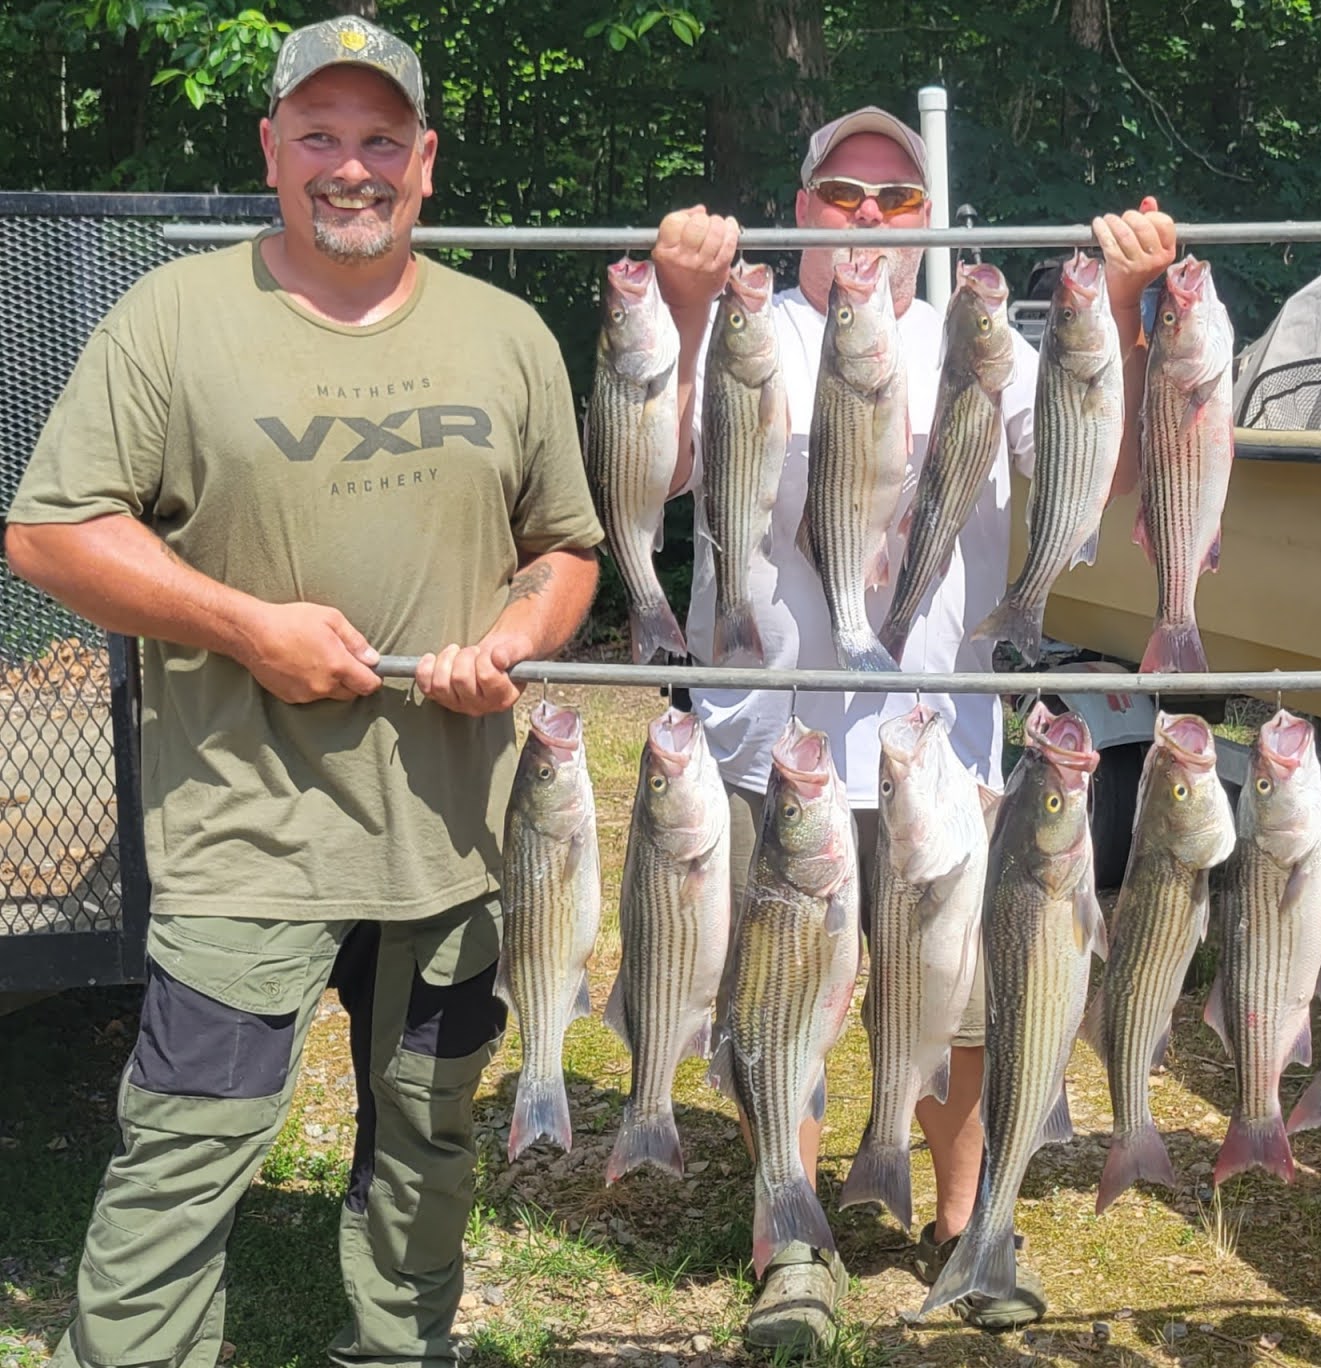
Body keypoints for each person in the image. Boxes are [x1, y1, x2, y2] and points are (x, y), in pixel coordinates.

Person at [3, 16, 603, 1367]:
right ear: (271, 150)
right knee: (186, 1145)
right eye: (320, 136)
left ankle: (400, 1346)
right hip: (244, 834)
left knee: (429, 1136)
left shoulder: (507, 335)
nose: (352, 166)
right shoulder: (174, 318)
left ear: (427, 161)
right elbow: (48, 534)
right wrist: (247, 627)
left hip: (451, 841)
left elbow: (566, 549)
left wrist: (512, 638)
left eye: (380, 138)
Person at [649, 107, 1175, 1351]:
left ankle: (964, 1225)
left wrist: (1140, 316)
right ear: (800, 206)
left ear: (931, 222)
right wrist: (677, 305)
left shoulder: (983, 343)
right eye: (843, 193)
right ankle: (790, 1236)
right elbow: (660, 469)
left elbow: (1099, 481)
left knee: (965, 994)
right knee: (783, 997)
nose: (870, 219)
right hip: (771, 736)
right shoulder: (757, 324)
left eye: (897, 199)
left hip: (943, 739)